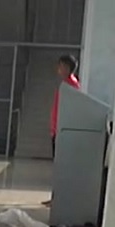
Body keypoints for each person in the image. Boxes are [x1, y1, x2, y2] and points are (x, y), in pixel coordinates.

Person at [44, 54, 82, 208]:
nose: (58, 69)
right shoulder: (65, 84)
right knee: (58, 168)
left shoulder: (72, 86)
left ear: (67, 68)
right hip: (57, 130)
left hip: (63, 131)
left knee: (62, 168)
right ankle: (56, 197)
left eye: (61, 66)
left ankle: (60, 199)